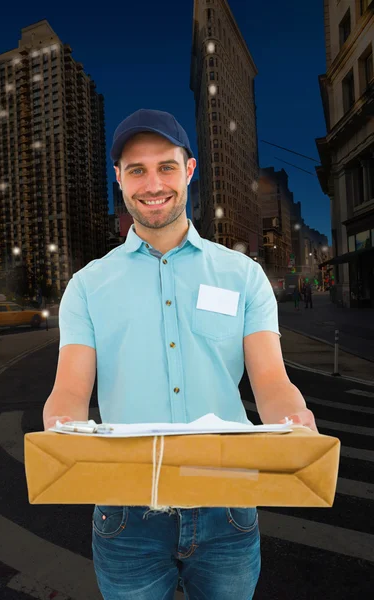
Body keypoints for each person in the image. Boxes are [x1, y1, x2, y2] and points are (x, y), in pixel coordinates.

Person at [43, 109, 318, 599]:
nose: (153, 184)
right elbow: (69, 388)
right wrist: (60, 428)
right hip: (125, 512)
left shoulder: (243, 276)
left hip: (226, 502)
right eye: (137, 170)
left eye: (166, 166)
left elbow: (271, 382)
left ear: (189, 170)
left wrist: (294, 417)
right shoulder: (87, 286)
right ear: (120, 180)